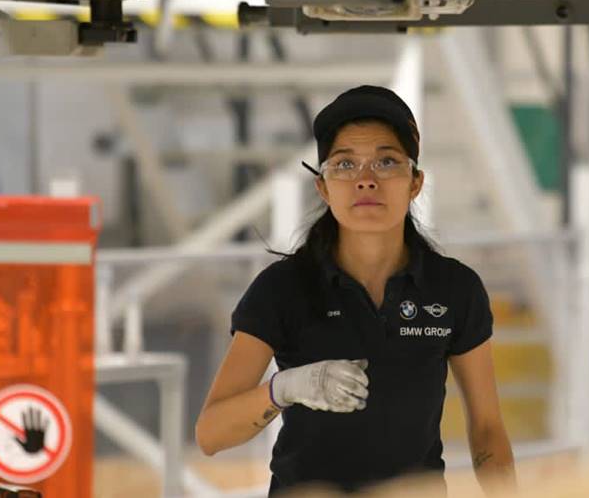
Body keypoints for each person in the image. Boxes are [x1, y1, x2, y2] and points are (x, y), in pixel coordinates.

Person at [195, 86, 515, 494]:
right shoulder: (282, 288)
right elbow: (211, 435)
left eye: (386, 161)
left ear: (416, 182)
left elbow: (487, 429)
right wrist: (286, 388)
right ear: (324, 188)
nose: (366, 180)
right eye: (345, 165)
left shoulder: (455, 288)